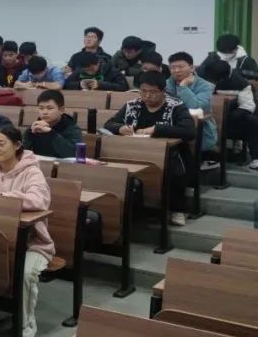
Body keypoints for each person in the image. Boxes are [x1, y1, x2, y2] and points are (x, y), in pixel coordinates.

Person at [0, 125, 54, 337]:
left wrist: (3, 199)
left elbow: (39, 200)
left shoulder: (31, 171)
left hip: (32, 243)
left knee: (26, 273)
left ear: (17, 145)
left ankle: (26, 322)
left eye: (1, 144)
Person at [105, 72, 196, 226]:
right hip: (134, 151)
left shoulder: (176, 106)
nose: (147, 96)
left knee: (173, 171)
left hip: (170, 153)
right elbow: (109, 124)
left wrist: (156, 129)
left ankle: (177, 209)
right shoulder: (132, 105)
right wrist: (120, 128)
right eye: (143, 91)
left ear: (163, 91)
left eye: (153, 92)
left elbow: (189, 131)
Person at [204, 59, 258, 171]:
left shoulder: (241, 83)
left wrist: (226, 117)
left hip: (232, 117)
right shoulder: (204, 75)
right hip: (208, 114)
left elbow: (248, 106)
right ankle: (206, 157)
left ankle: (255, 158)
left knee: (252, 121)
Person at [167, 51, 218, 161]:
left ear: (191, 68)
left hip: (200, 129)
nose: (176, 70)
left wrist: (183, 87)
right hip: (172, 125)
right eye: (173, 67)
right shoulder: (167, 84)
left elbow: (196, 107)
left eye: (180, 67)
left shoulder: (205, 85)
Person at [22, 90, 82, 158]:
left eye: (49, 108)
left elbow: (73, 154)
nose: (44, 112)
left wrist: (51, 133)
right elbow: (21, 154)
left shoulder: (72, 129)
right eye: (41, 108)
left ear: (61, 110)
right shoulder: (33, 129)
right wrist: (29, 134)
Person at [63, 52, 127, 92]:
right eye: (86, 70)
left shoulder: (111, 70)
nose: (89, 73)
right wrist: (79, 84)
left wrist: (100, 85)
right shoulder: (79, 70)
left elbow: (123, 87)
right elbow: (66, 84)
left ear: (98, 63)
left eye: (92, 69)